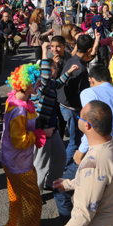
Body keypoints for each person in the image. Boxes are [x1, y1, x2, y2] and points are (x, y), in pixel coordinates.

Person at [53, 100, 113, 226]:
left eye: (79, 117)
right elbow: (98, 182)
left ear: (87, 126)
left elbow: (83, 215)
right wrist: (68, 184)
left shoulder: (94, 163)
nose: (78, 119)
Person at [0, 64, 53, 226]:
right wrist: (40, 133)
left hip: (9, 159)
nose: (39, 84)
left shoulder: (14, 98)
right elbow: (19, 141)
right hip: (19, 163)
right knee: (32, 202)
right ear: (27, 84)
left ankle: (13, 225)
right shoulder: (20, 111)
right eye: (36, 81)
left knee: (17, 198)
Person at [33, 42, 78, 194]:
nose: (57, 69)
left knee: (60, 156)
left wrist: (70, 71)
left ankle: (49, 182)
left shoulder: (51, 84)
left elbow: (58, 83)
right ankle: (36, 195)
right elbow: (45, 74)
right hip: (41, 129)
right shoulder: (41, 83)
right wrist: (44, 51)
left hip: (52, 128)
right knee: (41, 164)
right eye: (54, 67)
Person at [59, 35, 94, 167]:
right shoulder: (81, 68)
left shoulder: (72, 59)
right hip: (71, 107)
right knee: (75, 141)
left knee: (74, 139)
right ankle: (63, 168)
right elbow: (83, 94)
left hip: (63, 102)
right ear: (89, 50)